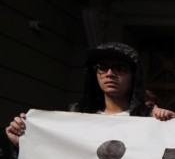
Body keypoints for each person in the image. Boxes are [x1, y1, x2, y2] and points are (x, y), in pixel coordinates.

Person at [6, 41, 151, 147]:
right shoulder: (75, 115)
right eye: (102, 67)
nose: (109, 74)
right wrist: (24, 145)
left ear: (135, 76)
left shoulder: (149, 120)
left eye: (119, 68)